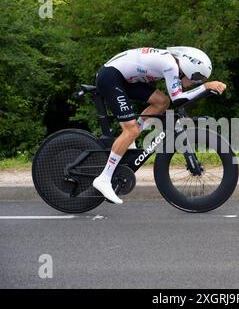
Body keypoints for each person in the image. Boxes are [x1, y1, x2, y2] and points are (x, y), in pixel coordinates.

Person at [92, 46, 227, 204]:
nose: (193, 83)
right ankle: (104, 179)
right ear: (189, 69)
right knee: (131, 131)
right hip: (111, 77)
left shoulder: (170, 62)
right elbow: (179, 100)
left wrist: (204, 88)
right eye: (196, 79)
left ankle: (130, 140)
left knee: (162, 102)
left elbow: (174, 100)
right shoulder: (170, 65)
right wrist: (205, 87)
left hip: (123, 78)